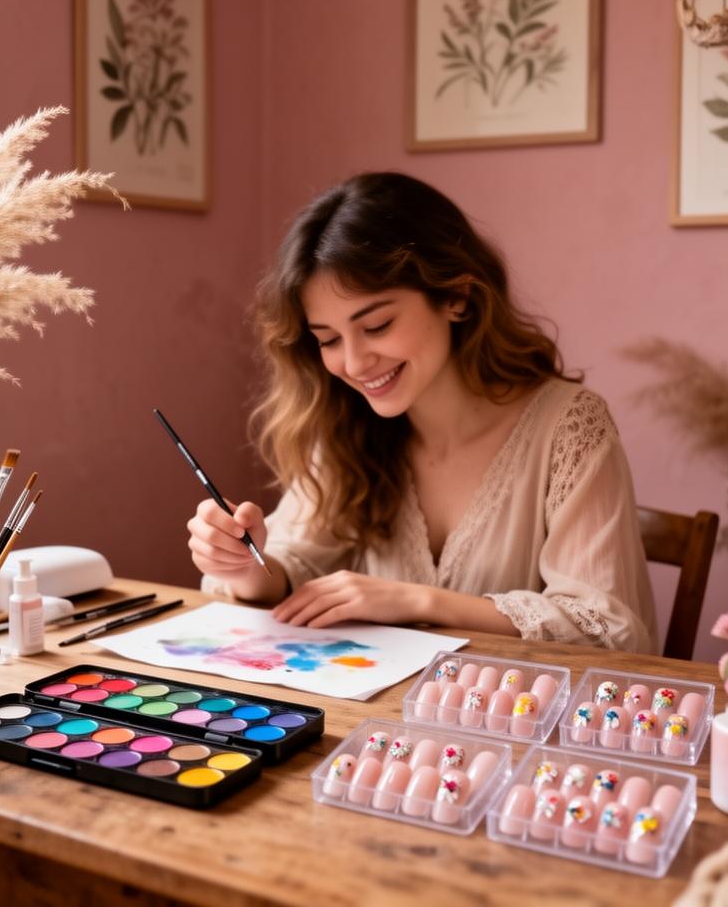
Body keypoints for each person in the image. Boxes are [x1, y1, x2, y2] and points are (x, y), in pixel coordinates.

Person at [186, 172, 658, 653]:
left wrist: (419, 602)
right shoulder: (345, 423)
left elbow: (607, 628)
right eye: (327, 339)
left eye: (377, 325)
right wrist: (244, 565)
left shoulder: (569, 428)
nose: (352, 363)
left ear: (456, 296)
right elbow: (294, 572)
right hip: (379, 721)